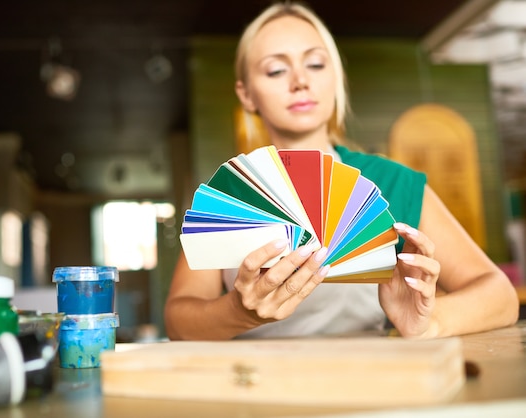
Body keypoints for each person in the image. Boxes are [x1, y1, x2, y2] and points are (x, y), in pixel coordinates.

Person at [164, 1, 519, 340]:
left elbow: (499, 296)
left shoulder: (391, 183)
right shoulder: (229, 194)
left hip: (371, 384)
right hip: (252, 387)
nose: (300, 80)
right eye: (276, 69)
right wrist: (238, 313)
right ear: (247, 95)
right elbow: (179, 320)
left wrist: (428, 323)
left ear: (335, 76)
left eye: (316, 64)